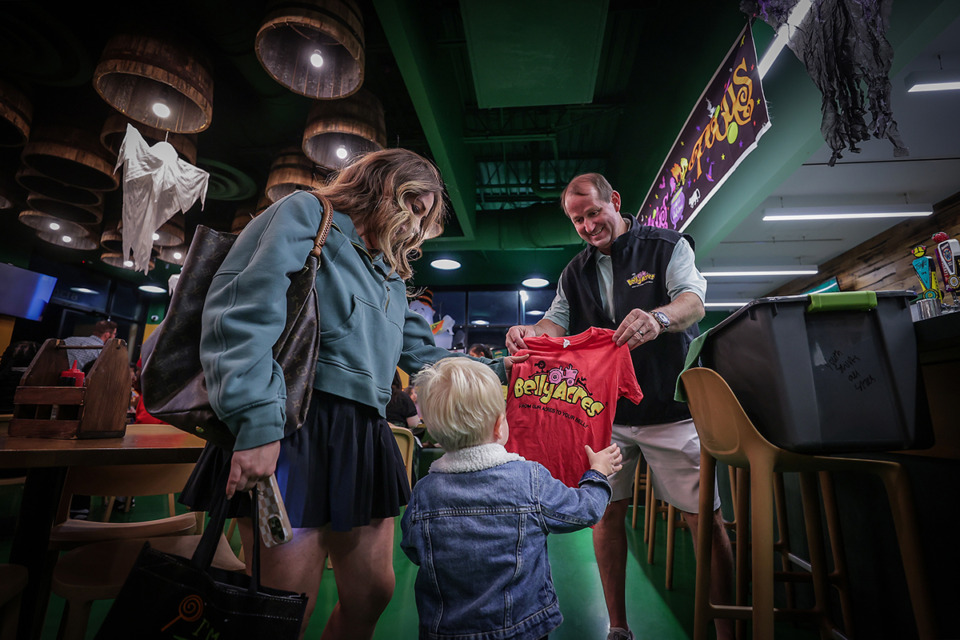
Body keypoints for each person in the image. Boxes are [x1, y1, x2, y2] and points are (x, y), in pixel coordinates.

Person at [180, 148, 526, 640]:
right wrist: (257, 422)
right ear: (382, 186)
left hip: (364, 431)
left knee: (372, 592)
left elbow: (428, 357)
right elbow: (241, 310)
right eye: (413, 205)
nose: (414, 222)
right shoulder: (307, 214)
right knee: (285, 605)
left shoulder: (391, 272)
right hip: (292, 422)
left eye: (424, 215)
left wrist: (505, 366)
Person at [505, 173, 734, 640]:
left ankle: (729, 632)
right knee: (605, 513)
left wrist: (658, 318)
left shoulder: (667, 247)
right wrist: (532, 334)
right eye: (577, 220)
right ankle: (618, 627)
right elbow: (556, 321)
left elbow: (694, 301)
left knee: (701, 517)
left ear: (615, 200)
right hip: (607, 417)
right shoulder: (575, 271)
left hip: (672, 407)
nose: (588, 226)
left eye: (593, 213)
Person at [401, 357, 622, 640]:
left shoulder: (424, 492)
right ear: (498, 427)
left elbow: (413, 548)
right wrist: (598, 473)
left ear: (435, 433)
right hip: (523, 627)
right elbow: (586, 509)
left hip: (447, 630)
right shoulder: (529, 479)